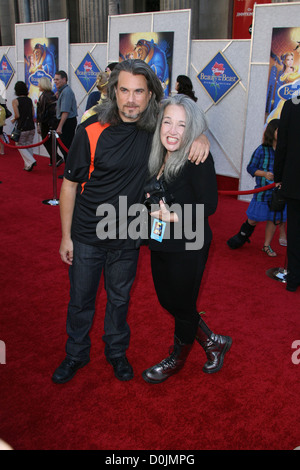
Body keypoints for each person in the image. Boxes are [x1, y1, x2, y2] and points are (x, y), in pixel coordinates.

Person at [52, 59, 210, 385]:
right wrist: (65, 236)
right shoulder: (90, 130)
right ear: (113, 91)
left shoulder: (154, 131)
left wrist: (200, 137)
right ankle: (75, 354)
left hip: (128, 235)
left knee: (119, 300)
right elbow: (69, 185)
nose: (131, 99)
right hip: (86, 234)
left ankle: (116, 352)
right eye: (124, 90)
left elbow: (181, 122)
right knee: (80, 301)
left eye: (139, 91)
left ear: (151, 94)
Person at [141, 94, 232, 384]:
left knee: (182, 304)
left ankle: (176, 359)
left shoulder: (197, 156)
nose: (172, 130)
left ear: (192, 129)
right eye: (167, 122)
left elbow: (210, 205)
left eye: (182, 125)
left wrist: (173, 216)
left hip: (189, 244)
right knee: (169, 301)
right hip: (160, 241)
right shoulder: (155, 152)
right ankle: (213, 341)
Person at [227, 119, 287, 256]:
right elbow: (250, 168)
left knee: (274, 218)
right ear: (272, 131)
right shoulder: (261, 150)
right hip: (262, 192)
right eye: (279, 129)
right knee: (254, 218)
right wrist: (265, 174)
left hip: (278, 193)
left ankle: (266, 246)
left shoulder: (285, 150)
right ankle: (243, 234)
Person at [274, 97, 300, 292]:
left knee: (295, 230)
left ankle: (294, 278)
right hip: (294, 181)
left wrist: (279, 175)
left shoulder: (292, 105)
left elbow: (282, 143)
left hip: (294, 179)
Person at [36, 77, 62, 166]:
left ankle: (56, 158)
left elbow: (42, 112)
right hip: (51, 122)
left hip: (47, 123)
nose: (38, 85)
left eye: (39, 83)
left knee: (47, 141)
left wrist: (39, 124)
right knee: (51, 142)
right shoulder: (50, 94)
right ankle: (54, 159)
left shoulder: (45, 96)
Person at [11, 81, 36, 172]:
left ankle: (31, 161)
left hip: (22, 127)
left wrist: (14, 119)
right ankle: (28, 165)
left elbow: (17, 115)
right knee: (29, 145)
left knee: (19, 145)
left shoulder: (15, 101)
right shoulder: (29, 100)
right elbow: (33, 113)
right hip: (31, 126)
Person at [54, 70, 77, 162]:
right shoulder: (63, 91)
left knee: (66, 147)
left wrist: (60, 127)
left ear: (64, 79)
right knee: (65, 147)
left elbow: (65, 112)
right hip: (66, 121)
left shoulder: (66, 92)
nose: (55, 81)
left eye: (57, 79)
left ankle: (69, 172)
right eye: (54, 79)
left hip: (67, 122)